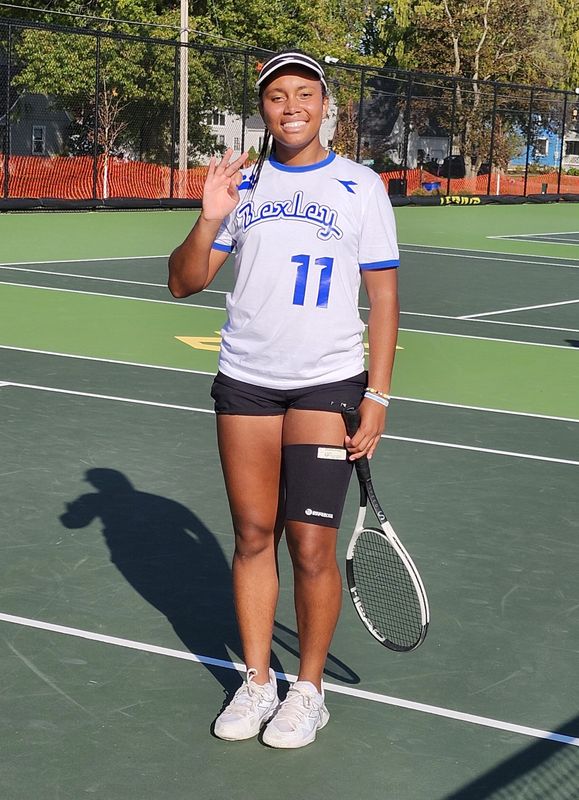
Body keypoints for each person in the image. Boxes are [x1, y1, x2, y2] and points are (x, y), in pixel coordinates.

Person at [168, 50, 400, 749]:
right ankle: (258, 681)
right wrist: (209, 218)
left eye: (304, 93)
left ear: (325, 103)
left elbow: (383, 297)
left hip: (326, 383)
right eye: (276, 96)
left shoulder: (360, 187)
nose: (290, 106)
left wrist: (380, 395)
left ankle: (308, 691)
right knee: (252, 537)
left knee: (310, 545)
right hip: (246, 380)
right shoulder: (244, 185)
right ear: (262, 108)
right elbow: (182, 283)